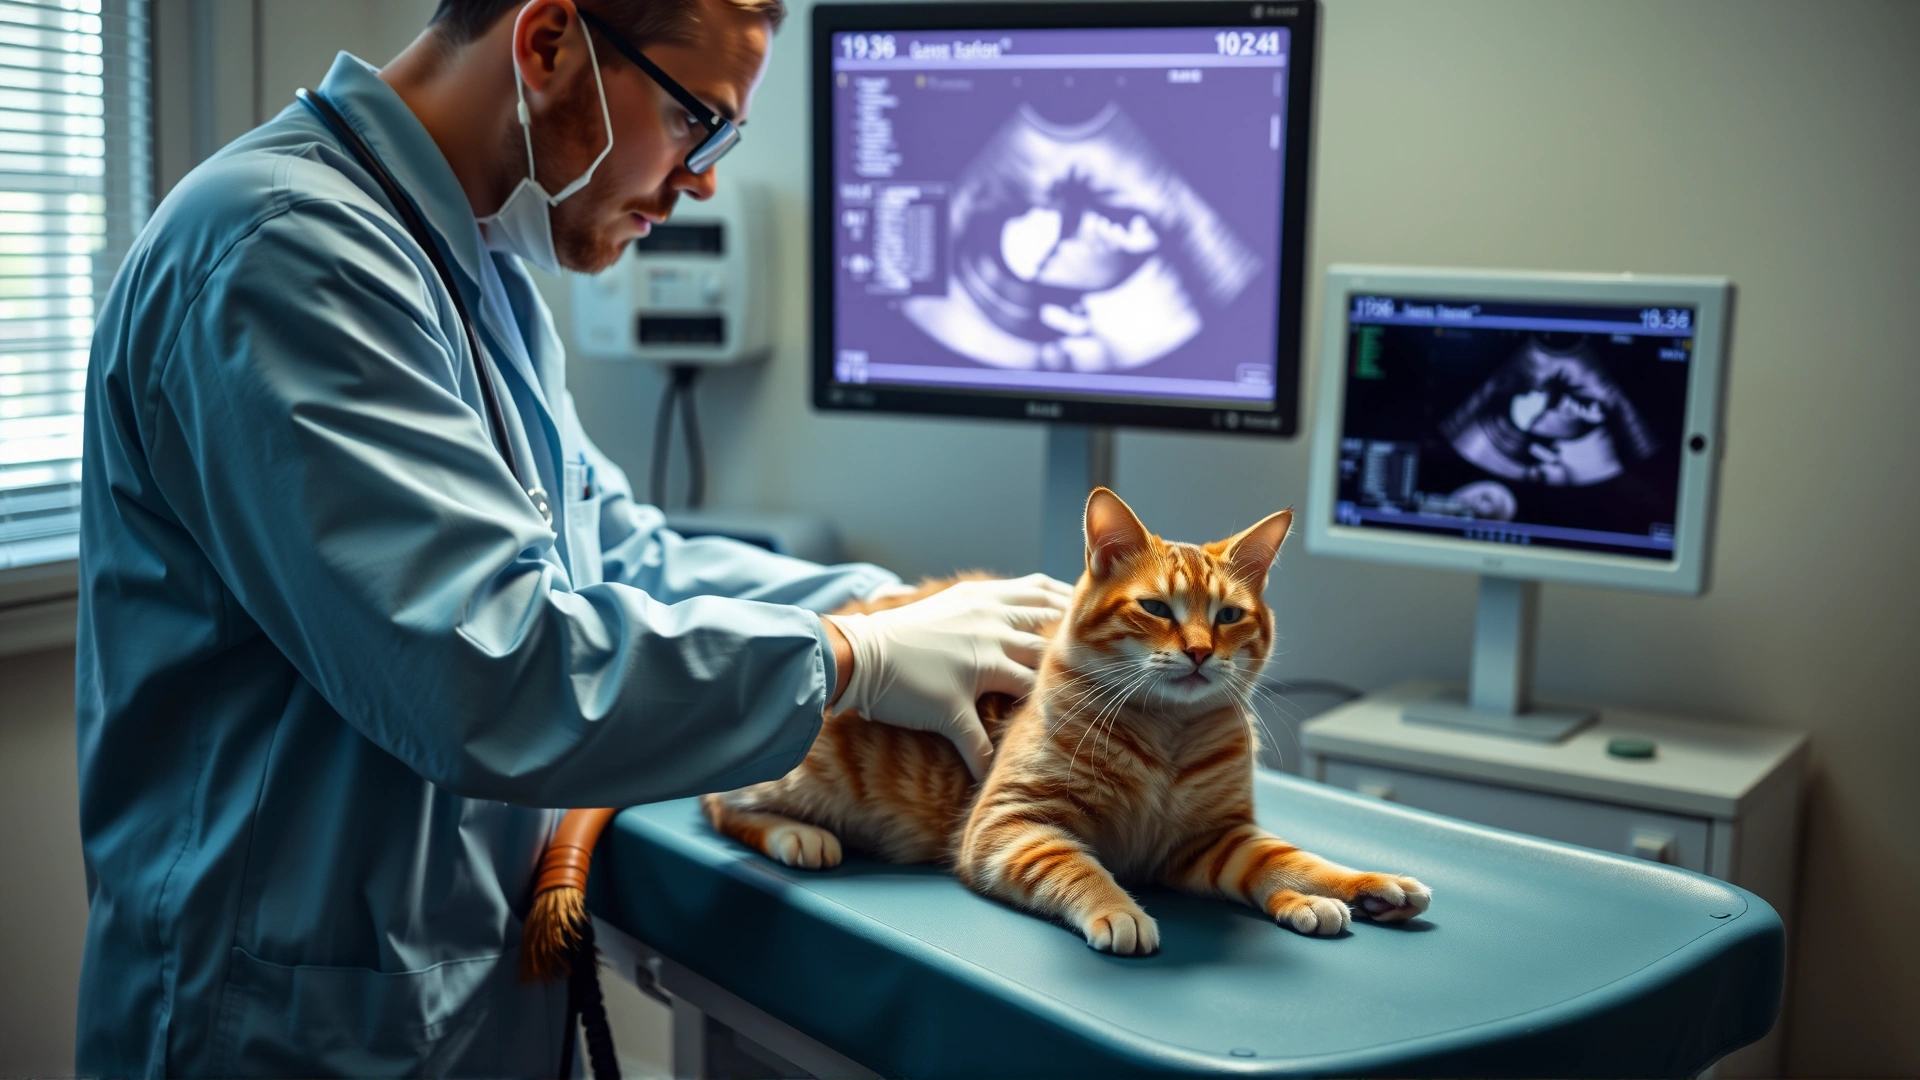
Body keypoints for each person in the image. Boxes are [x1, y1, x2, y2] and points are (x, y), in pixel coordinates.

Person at [73, 0, 1068, 1073]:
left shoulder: (478, 273)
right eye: (699, 120)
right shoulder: (281, 255)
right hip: (279, 1033)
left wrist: (903, 611)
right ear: (550, 45)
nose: (704, 180)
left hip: (439, 1010)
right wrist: (851, 660)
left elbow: (623, 558)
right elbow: (487, 671)